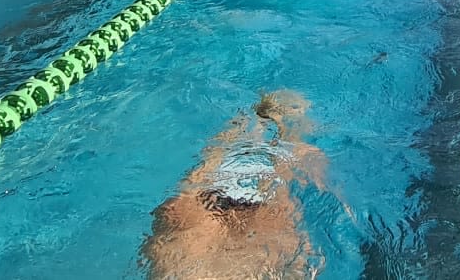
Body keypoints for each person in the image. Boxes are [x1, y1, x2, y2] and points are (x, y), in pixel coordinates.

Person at [140, 91, 336, 279]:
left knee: (180, 252)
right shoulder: (305, 152)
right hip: (265, 200)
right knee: (292, 254)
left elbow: (202, 170)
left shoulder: (228, 143)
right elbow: (320, 187)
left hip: (211, 194)